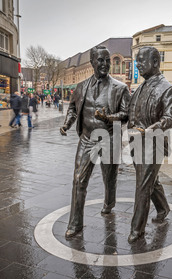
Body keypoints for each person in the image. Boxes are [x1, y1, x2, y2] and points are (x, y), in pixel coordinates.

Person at [60, 45, 131, 239]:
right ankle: (75, 224)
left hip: (108, 138)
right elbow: (73, 109)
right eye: (100, 60)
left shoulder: (120, 88)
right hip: (87, 139)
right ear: (92, 62)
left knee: (109, 177)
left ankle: (109, 202)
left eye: (108, 60)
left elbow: (126, 115)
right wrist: (67, 124)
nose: (105, 64)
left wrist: (109, 117)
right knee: (78, 179)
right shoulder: (81, 87)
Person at [111, 46, 172, 244]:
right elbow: (129, 113)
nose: (138, 65)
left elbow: (171, 117)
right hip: (135, 141)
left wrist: (151, 128)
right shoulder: (140, 87)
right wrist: (109, 117)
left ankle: (137, 229)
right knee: (150, 181)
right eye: (137, 61)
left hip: (153, 143)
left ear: (156, 62)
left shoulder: (167, 88)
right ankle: (163, 208)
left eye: (142, 61)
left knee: (142, 185)